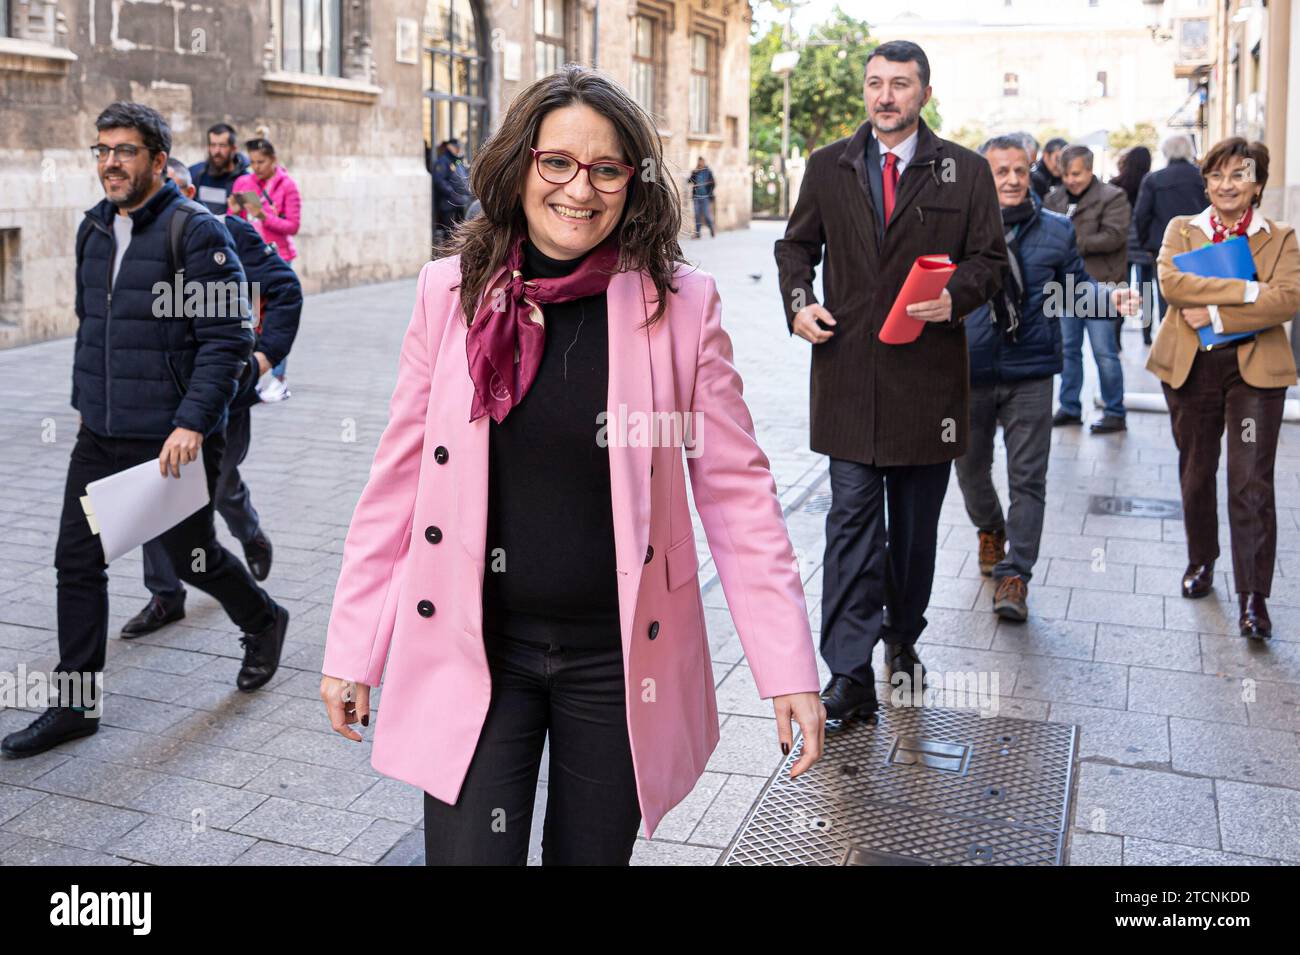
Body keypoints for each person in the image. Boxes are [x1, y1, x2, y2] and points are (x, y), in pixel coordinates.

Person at [317, 65, 824, 866]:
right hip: (474, 642)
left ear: (633, 181)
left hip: (620, 662)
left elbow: (737, 494)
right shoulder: (451, 292)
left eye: (607, 168)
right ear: (520, 165)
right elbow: (399, 481)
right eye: (557, 162)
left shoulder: (679, 306)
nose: (579, 190)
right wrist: (354, 645)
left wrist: (787, 663)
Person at [0, 103, 289, 759]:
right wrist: (84, 403)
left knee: (194, 558)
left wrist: (191, 423)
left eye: (125, 150)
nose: (110, 162)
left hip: (169, 440)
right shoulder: (94, 230)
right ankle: (75, 705)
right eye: (102, 150)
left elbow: (227, 340)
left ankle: (264, 618)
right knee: (77, 561)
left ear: (159, 160)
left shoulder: (197, 232)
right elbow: (94, 327)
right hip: (100, 431)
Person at [774, 40, 1006, 726]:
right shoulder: (828, 167)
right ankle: (847, 672)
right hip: (846, 380)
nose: (884, 96)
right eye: (875, 83)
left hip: (927, 389)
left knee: (910, 533)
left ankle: (901, 639)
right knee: (850, 524)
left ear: (923, 93)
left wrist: (958, 294)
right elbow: (795, 246)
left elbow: (990, 260)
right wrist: (797, 301)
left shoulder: (964, 173)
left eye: (899, 85)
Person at [121, 159, 302, 638]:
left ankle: (249, 533)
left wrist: (263, 360)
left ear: (191, 190)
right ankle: (165, 595)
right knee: (156, 489)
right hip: (157, 401)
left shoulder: (228, 233)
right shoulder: (132, 241)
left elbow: (285, 291)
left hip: (221, 395)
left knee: (215, 487)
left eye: (176, 193)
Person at [958, 136, 1135, 621]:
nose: (1012, 180)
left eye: (1020, 170)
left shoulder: (1056, 230)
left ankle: (1015, 575)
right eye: (1001, 171)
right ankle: (990, 528)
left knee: (1028, 478)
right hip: (968, 371)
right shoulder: (956, 230)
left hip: (1030, 372)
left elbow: (1072, 291)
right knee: (970, 469)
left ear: (1032, 170)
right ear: (982, 176)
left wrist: (1109, 300)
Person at [1147, 138, 1299, 640]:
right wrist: (1250, 287)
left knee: (1250, 481)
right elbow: (1172, 285)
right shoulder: (1181, 229)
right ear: (1205, 181)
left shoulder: (1281, 237)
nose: (1226, 185)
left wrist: (1215, 310)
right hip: (1192, 365)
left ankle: (1253, 598)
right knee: (1196, 472)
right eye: (1216, 175)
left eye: (1239, 175)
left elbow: (1285, 301)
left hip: (1253, 369)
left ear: (1258, 183)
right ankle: (1201, 560)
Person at [1045, 144, 1130, 434]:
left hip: (1102, 287)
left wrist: (1067, 243)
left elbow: (1113, 237)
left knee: (1104, 353)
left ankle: (1115, 411)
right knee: (1068, 351)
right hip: (1065, 288)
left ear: (1090, 170)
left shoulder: (1113, 197)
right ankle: (1069, 407)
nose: (1071, 180)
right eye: (1066, 174)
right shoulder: (1054, 198)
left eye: (1077, 174)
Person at [232, 133, 300, 399]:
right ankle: (252, 371)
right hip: (248, 260)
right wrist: (235, 210)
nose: (256, 167)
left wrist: (263, 216)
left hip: (278, 257)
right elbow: (234, 219)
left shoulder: (287, 185)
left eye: (261, 161)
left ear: (273, 160)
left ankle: (278, 377)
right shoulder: (243, 182)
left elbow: (292, 225)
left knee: (274, 321)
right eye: (253, 162)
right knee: (251, 320)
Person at [1134, 135, 1208, 342]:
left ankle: (1171, 340)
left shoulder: (1155, 179)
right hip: (1200, 246)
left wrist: (1146, 244)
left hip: (1164, 246)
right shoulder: (1201, 176)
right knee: (1198, 294)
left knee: (1167, 296)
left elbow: (1141, 215)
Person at [1111, 144, 1153, 348]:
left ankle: (1117, 335)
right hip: (1144, 243)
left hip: (1122, 245)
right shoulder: (1152, 182)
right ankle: (1147, 333)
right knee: (1145, 289)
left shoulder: (1117, 184)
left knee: (1122, 289)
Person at [189, 122, 250, 215]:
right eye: (213, 145)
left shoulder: (246, 180)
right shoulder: (194, 173)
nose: (217, 151)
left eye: (222, 145)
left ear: (233, 149)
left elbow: (253, 218)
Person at [432, 138, 472, 239]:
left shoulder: (456, 160)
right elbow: (439, 181)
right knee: (449, 234)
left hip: (460, 202)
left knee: (460, 232)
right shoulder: (443, 161)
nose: (458, 150)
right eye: (456, 147)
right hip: (448, 204)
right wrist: (452, 192)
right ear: (450, 147)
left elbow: (463, 176)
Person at [687, 156, 716, 238]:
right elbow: (689, 181)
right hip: (696, 197)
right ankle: (698, 233)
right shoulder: (695, 171)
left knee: (707, 215)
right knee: (697, 215)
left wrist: (710, 192)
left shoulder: (708, 172)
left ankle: (711, 228)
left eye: (702, 162)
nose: (700, 163)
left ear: (704, 162)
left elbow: (713, 183)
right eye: (699, 162)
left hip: (705, 197)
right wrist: (694, 172)